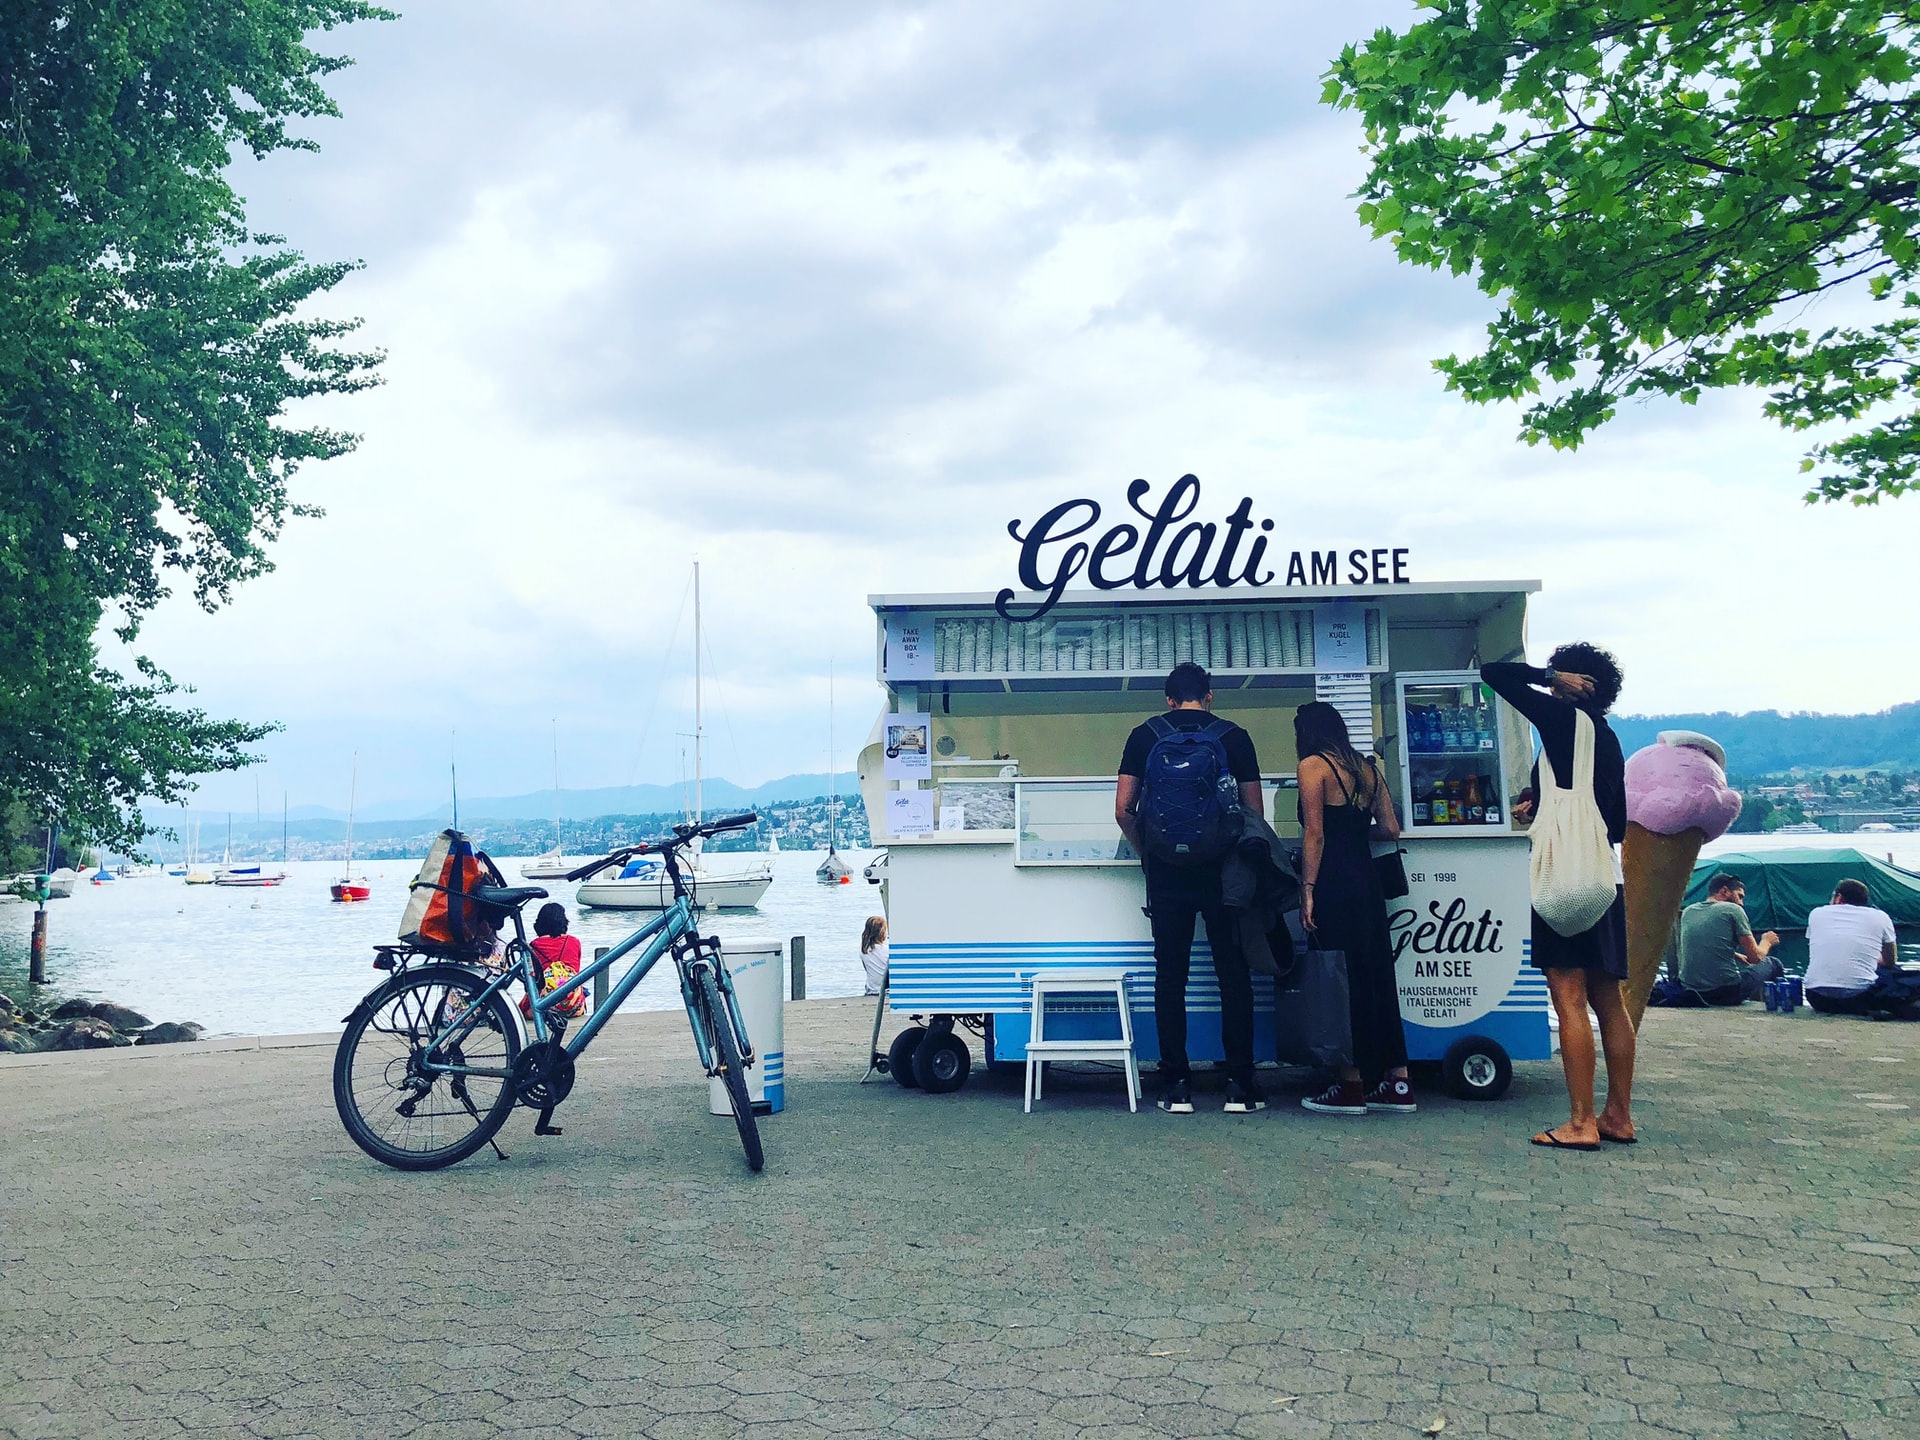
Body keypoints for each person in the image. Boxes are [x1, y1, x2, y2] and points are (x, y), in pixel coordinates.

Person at [1482, 644, 1638, 1151]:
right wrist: (1541, 804)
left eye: (1561, 673)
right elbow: (1613, 820)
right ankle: (1618, 1115)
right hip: (1603, 875)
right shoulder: (1607, 739)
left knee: (1567, 995)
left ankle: (1579, 1122)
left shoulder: (1563, 721)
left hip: (1566, 878)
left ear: (1578, 681)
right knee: (1607, 999)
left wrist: (1544, 674)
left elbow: (1495, 675)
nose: (1551, 683)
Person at [1116, 661, 1265, 1114]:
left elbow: (1123, 808)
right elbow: (1254, 813)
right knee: (1233, 976)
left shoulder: (1144, 736)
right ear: (1210, 695)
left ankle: (1176, 1086)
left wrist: (1150, 854)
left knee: (1170, 977)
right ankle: (1239, 1086)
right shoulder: (1233, 737)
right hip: (1223, 874)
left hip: (1166, 874)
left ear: (1168, 698)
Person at [1293, 701, 1411, 1116]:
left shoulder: (1313, 767)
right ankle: (1397, 1082)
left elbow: (1315, 835)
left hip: (1334, 883)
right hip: (1367, 880)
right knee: (1377, 975)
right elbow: (1391, 829)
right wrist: (1356, 830)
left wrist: (1307, 889)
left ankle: (1350, 1084)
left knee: (1341, 980)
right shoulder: (1366, 768)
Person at [525, 901, 587, 1136]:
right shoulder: (574, 942)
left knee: (531, 1006)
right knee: (581, 994)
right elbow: (576, 970)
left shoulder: (534, 946)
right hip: (571, 1002)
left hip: (544, 1002)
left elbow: (533, 980)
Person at [1677, 872, 1784, 1005]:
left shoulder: (1689, 911)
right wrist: (1766, 941)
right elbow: (1755, 957)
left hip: (1691, 990)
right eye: (1740, 896)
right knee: (1774, 964)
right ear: (1724, 891)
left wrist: (1736, 955)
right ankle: (1778, 1007)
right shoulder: (1732, 909)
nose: (1741, 903)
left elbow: (1701, 944)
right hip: (1725, 992)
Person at [1805, 879, 1900, 1015]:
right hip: (1860, 999)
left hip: (1817, 998)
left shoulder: (1816, 914)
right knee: (1894, 971)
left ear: (1839, 898)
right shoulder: (1881, 917)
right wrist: (1873, 958)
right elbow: (1891, 961)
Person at [860, 915, 890, 996]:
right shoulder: (888, 950)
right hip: (886, 990)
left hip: (871, 990)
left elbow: (868, 970)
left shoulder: (863, 951)